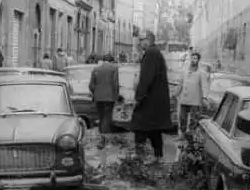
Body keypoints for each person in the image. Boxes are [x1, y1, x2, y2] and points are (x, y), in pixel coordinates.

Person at [130, 31, 173, 164]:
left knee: (139, 126)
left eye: (141, 40)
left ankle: (139, 155)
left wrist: (138, 97)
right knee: (155, 129)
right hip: (155, 101)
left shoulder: (151, 53)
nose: (139, 43)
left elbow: (146, 78)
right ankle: (158, 156)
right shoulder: (155, 52)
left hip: (150, 100)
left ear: (148, 40)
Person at [89, 54, 120, 150]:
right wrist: (116, 96)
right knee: (107, 117)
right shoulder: (114, 68)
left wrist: (96, 92)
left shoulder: (96, 69)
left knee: (101, 117)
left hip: (98, 97)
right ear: (111, 61)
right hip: (109, 97)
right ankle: (103, 140)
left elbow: (91, 85)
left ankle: (102, 138)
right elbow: (115, 84)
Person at [175, 51, 209, 138]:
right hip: (184, 99)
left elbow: (204, 86)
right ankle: (182, 134)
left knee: (193, 119)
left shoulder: (201, 73)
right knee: (182, 118)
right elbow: (180, 84)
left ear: (198, 60)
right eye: (192, 58)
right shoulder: (185, 71)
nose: (193, 60)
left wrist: (204, 97)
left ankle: (191, 136)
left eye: (195, 58)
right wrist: (175, 94)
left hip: (195, 100)